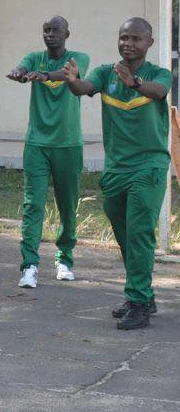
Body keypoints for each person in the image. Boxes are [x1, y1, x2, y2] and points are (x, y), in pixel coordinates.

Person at [61, 18, 171, 331]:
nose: (128, 44)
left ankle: (137, 303)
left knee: (139, 233)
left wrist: (134, 83)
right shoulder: (106, 72)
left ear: (148, 43)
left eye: (136, 39)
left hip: (148, 167)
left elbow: (160, 92)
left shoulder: (157, 74)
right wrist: (72, 80)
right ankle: (144, 293)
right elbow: (84, 87)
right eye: (123, 37)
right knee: (126, 236)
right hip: (116, 170)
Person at [5, 17, 88, 289]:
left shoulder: (78, 58)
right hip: (37, 144)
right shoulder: (35, 57)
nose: (50, 35)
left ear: (67, 33)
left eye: (55, 30)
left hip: (68, 144)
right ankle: (29, 265)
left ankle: (64, 259)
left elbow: (69, 76)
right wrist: (19, 73)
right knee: (33, 205)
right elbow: (22, 66)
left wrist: (44, 76)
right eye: (46, 30)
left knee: (67, 206)